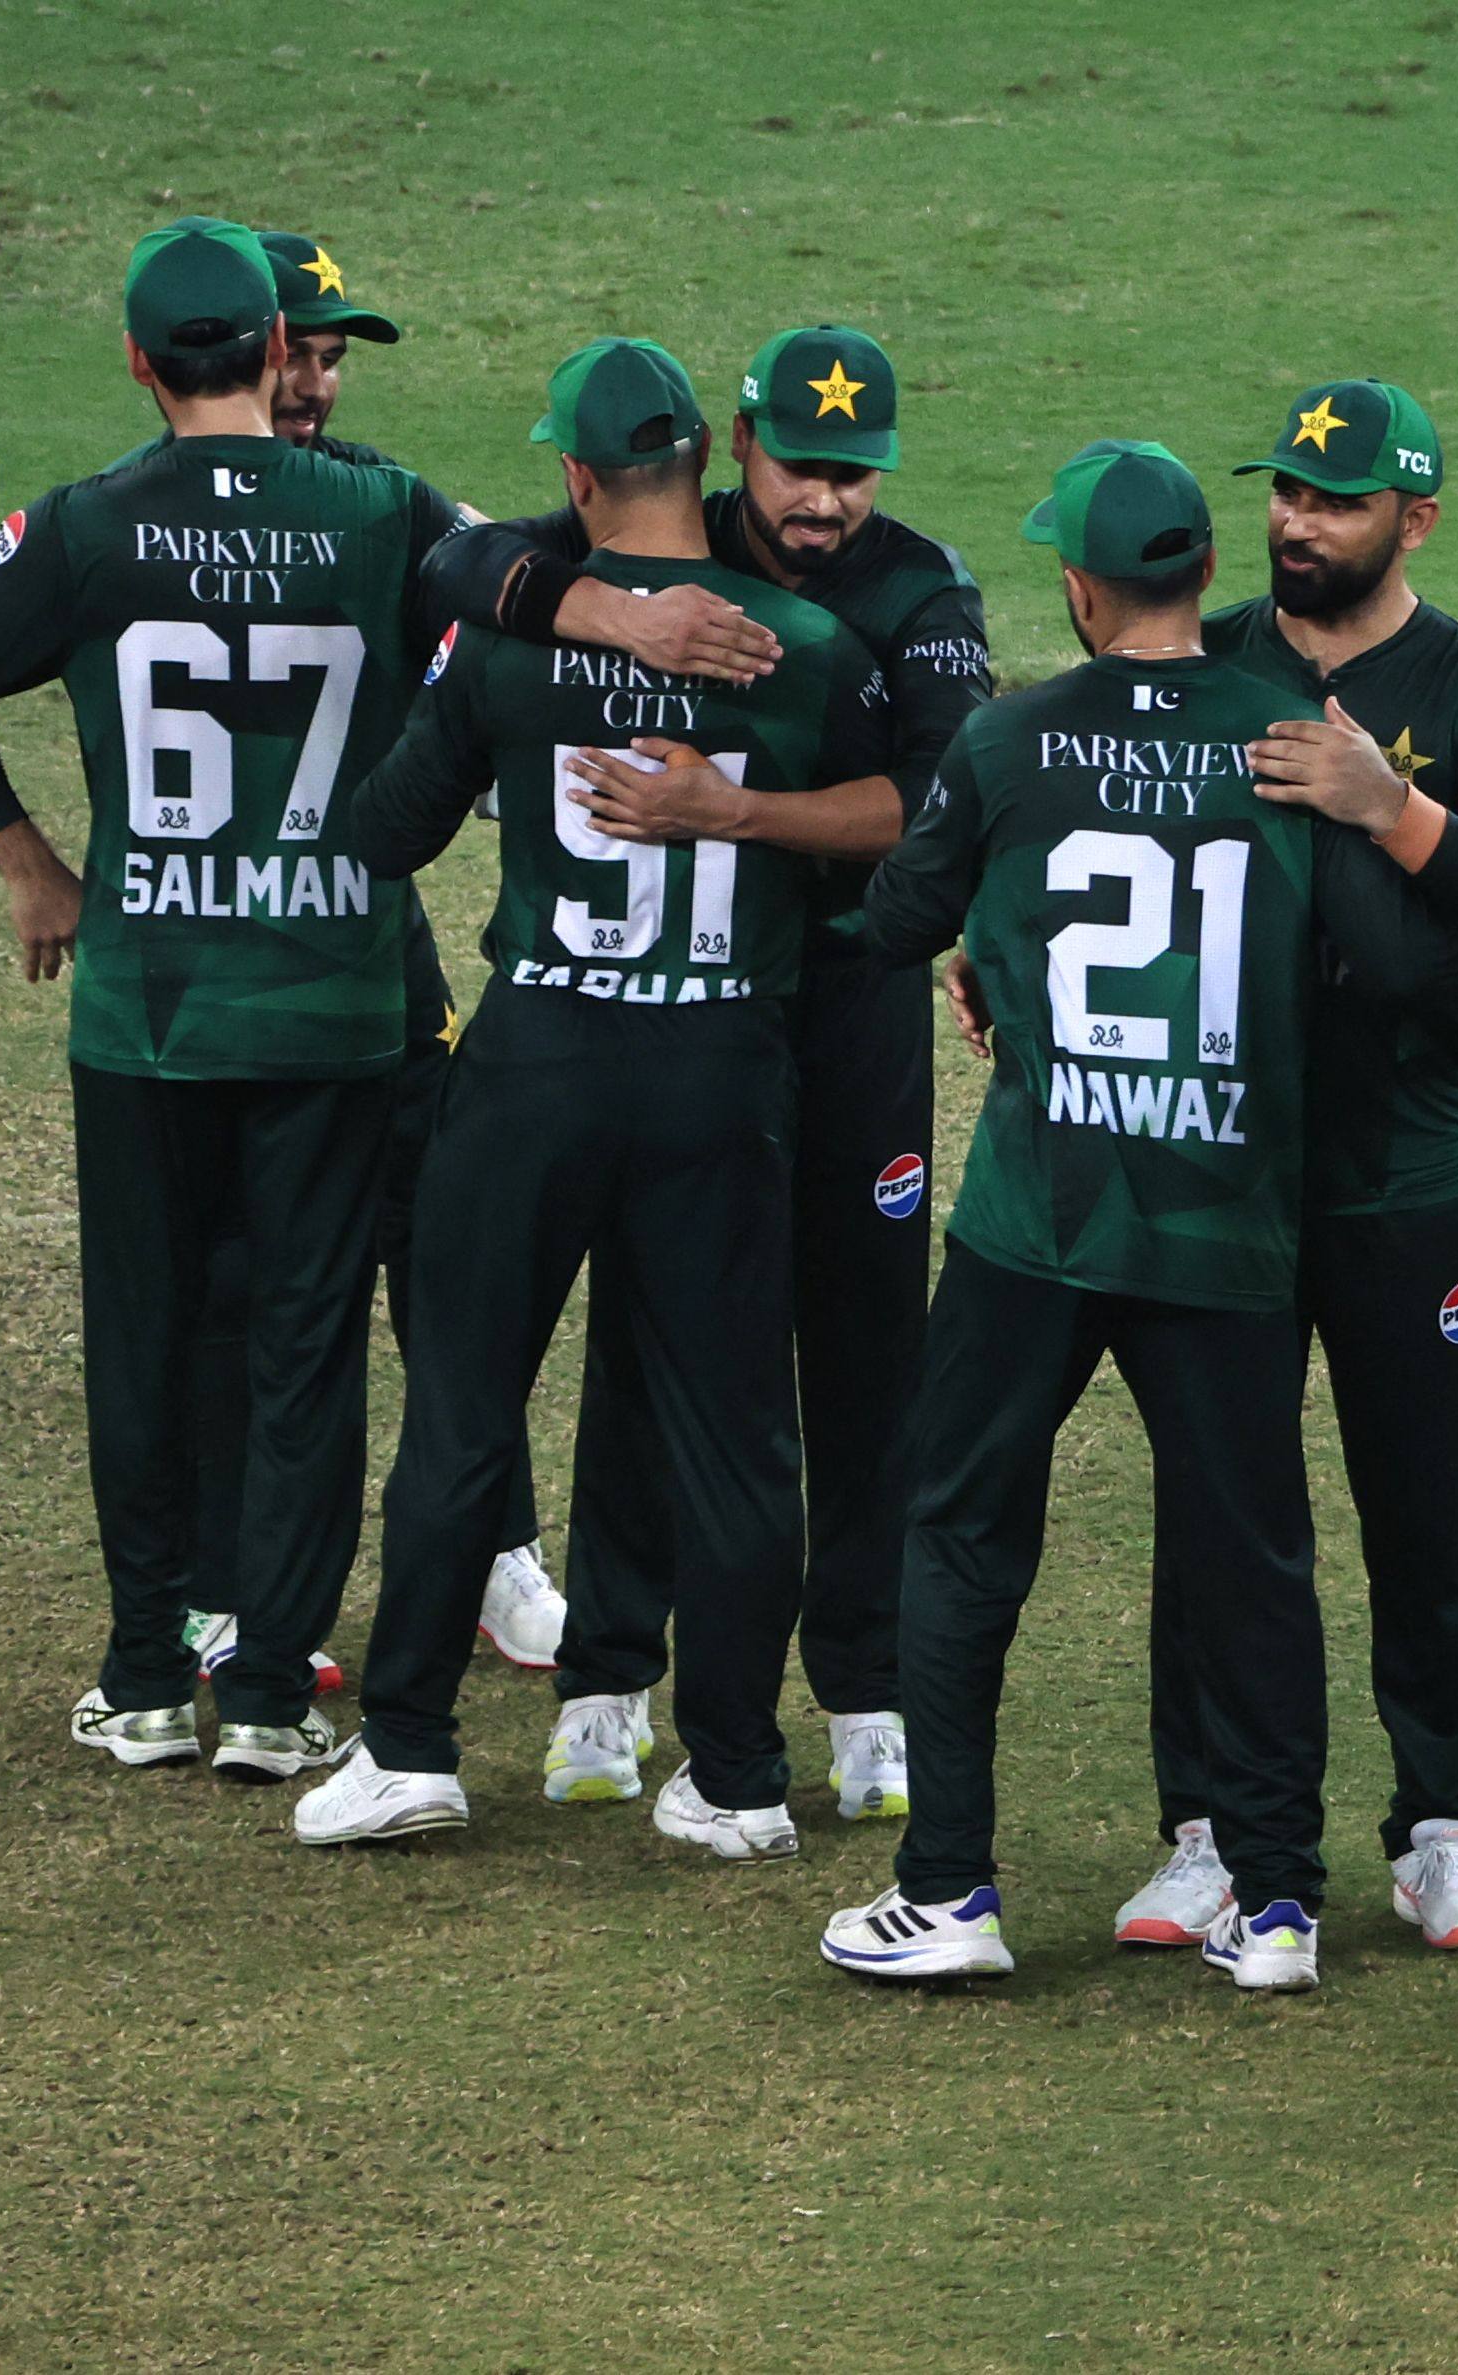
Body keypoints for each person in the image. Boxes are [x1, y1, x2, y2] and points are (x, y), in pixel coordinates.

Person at [0, 217, 459, 1785]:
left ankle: (143, 1678)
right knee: (308, 1348)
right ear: (277, 352)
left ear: (138, 361)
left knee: (144, 1337)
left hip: (149, 1013)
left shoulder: (82, 526)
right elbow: (523, 610)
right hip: (334, 1004)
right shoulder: (388, 510)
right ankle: (268, 1696)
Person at [813, 441, 1458, 1992]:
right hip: (1226, 1224)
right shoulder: (1290, 742)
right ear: (1206, 572)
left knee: (962, 1535)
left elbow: (901, 920)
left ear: (1078, 585)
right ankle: (1278, 1905)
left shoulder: (1006, 739)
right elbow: (1408, 964)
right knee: (1251, 1558)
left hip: (1038, 1222)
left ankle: (950, 1888)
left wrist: (994, 936)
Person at [292, 337, 892, 1857]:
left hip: (539, 1061)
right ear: (704, 462)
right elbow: (901, 826)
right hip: (721, 1065)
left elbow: (383, 834)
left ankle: (410, 1748)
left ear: (573, 474)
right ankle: (739, 1778)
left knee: (463, 1409)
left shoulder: (507, 640)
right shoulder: (805, 644)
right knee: (737, 1438)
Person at [424, 326, 992, 1824]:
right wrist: (611, 611)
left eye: (856, 474)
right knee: (647, 1348)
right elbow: (454, 565)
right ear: (737, 444)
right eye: (801, 467)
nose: (827, 502)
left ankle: (864, 1695)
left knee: (864, 1357)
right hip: (690, 1029)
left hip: (847, 1021)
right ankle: (609, 1680)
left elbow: (946, 803)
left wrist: (733, 816)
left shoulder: (921, 593)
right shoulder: (641, 545)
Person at [1107, 379, 1458, 1956]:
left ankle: (1440, 1834)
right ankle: (1208, 1835)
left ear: (1413, 519)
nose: (1297, 522)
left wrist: (1393, 808)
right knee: (1216, 1517)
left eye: (1337, 501)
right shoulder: (1206, 658)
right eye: (1286, 491)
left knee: (1425, 1512)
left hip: (1401, 1172)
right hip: (1216, 1170)